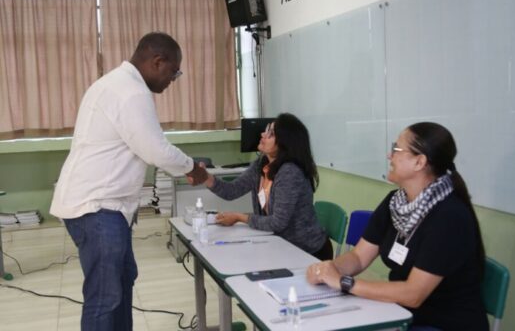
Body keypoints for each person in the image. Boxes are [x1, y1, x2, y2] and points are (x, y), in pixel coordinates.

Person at [50, 32, 208, 331]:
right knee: (105, 296)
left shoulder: (115, 83)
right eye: (173, 72)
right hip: (97, 208)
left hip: (102, 207)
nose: (172, 80)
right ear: (157, 61)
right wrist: (192, 169)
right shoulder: (130, 92)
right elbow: (154, 149)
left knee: (122, 282)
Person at [306, 122, 489, 331]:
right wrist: (329, 270)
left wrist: (345, 283)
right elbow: (358, 257)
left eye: (396, 149)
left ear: (419, 162)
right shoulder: (396, 202)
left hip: (441, 323)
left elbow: (413, 295)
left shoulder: (449, 217)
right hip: (399, 313)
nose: (389, 156)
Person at [192, 113, 333, 260]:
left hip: (307, 252)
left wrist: (240, 217)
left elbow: (277, 223)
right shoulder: (261, 164)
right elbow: (231, 191)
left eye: (271, 134)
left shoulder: (290, 172)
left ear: (285, 143)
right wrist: (205, 177)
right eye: (267, 130)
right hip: (281, 244)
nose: (262, 134)